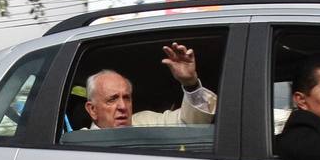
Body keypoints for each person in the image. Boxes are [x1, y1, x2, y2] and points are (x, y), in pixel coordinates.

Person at [82, 43, 218, 129]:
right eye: (112, 99)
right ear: (92, 109)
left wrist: (190, 84)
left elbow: (191, 124)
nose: (123, 107)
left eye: (127, 98)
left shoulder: (145, 122)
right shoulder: (78, 146)